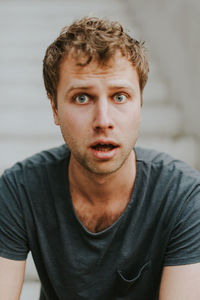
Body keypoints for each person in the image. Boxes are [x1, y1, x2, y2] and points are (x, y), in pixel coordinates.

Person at [0, 16, 200, 300]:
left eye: (120, 97)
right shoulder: (19, 190)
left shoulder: (183, 196)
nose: (103, 121)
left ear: (140, 106)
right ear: (55, 109)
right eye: (82, 98)